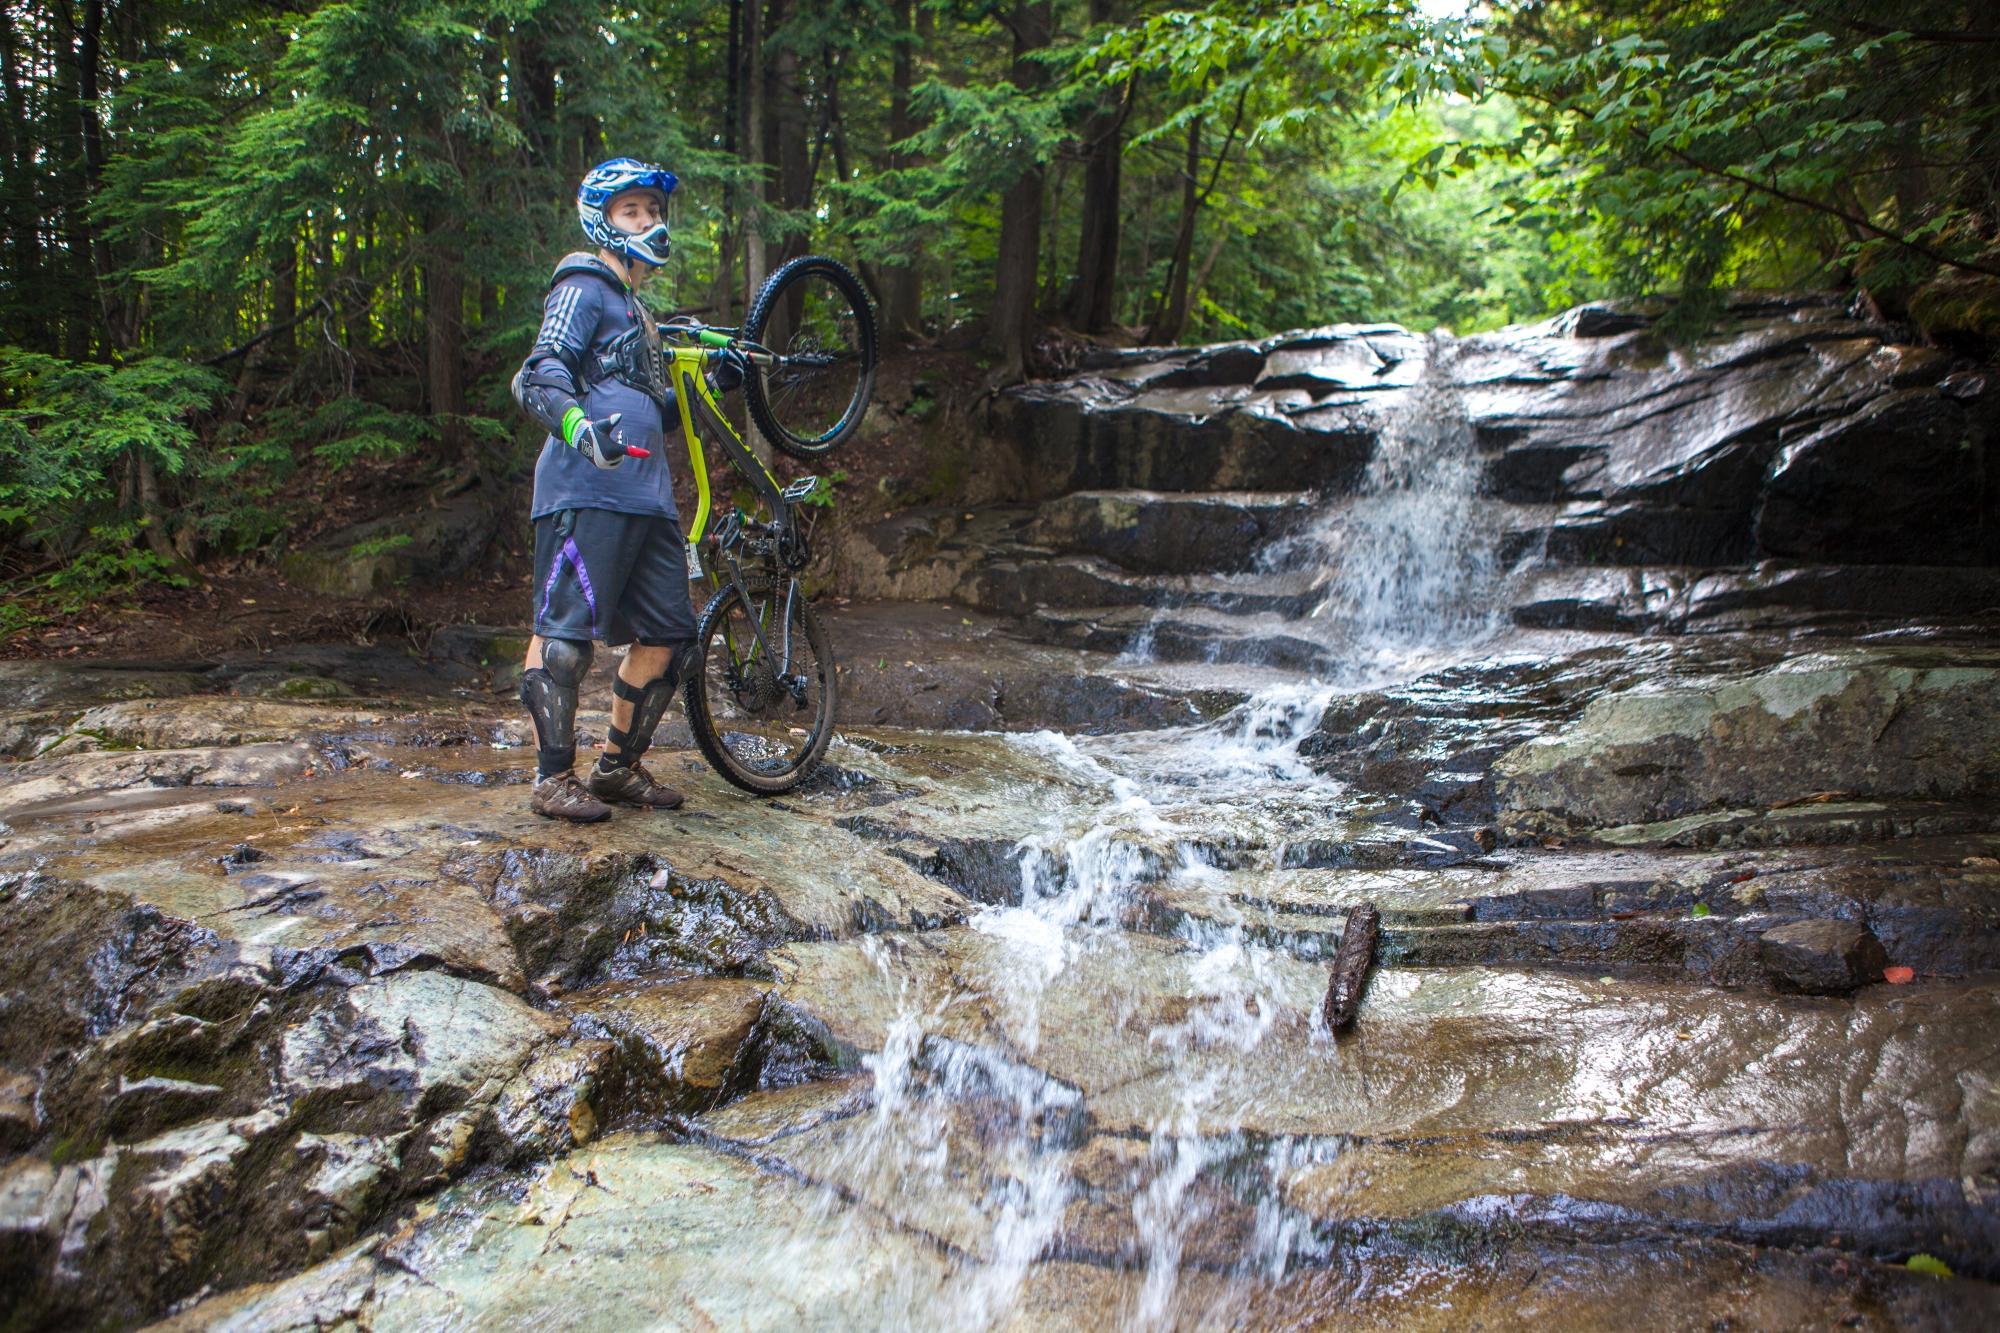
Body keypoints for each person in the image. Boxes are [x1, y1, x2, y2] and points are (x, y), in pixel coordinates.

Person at [509, 157, 711, 822]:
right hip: (584, 487)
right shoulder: (584, 285)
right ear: (603, 220)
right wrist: (579, 427)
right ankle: (551, 778)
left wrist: (726, 375)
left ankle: (616, 769)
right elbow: (539, 375)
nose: (649, 221)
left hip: (647, 497)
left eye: (653, 211)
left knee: (669, 638)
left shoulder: (640, 314)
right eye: (633, 211)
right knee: (564, 640)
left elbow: (659, 404)